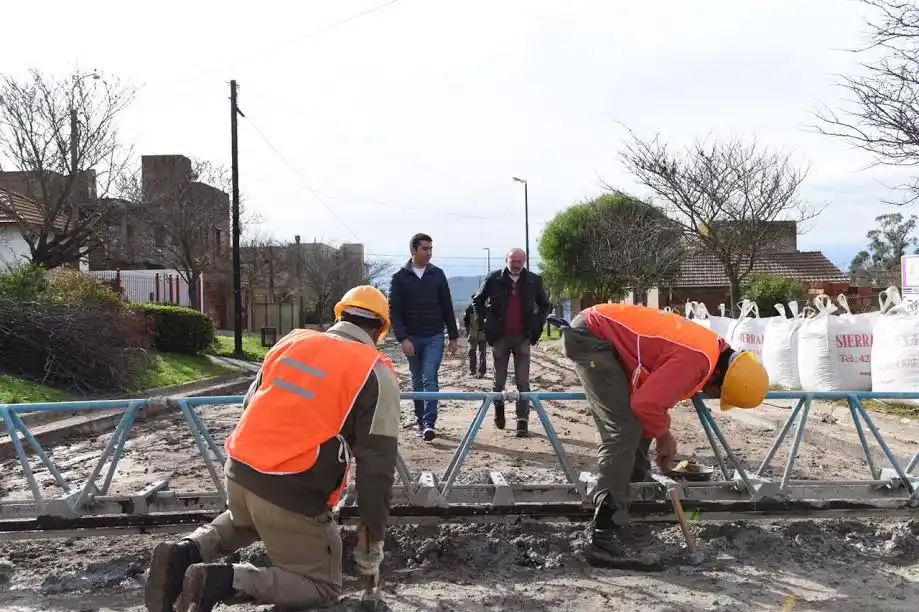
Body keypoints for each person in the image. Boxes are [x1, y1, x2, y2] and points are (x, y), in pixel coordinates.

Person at [144, 286, 401, 612]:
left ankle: (184, 552)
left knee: (249, 517)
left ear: (339, 315)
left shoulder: (292, 341)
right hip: (292, 490)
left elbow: (251, 404)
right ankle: (224, 580)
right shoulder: (374, 370)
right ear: (380, 330)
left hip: (239, 471)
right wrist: (372, 542)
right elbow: (376, 472)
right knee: (321, 587)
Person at [548, 303, 768, 569]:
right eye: (717, 393)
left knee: (636, 423)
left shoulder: (712, 346)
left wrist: (660, 429)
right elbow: (646, 405)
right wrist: (665, 436)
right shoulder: (696, 360)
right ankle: (603, 538)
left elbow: (648, 398)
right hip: (593, 337)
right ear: (720, 377)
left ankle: (624, 510)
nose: (710, 396)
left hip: (602, 332)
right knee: (622, 431)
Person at [473, 248, 550, 437]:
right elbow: (478, 300)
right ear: (506, 260)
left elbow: (545, 305)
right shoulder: (494, 279)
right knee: (498, 381)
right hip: (500, 337)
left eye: (519, 261)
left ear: (525, 261)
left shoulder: (533, 280)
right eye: (512, 261)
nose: (515, 265)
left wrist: (538, 323)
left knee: (523, 382)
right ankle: (499, 410)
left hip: (523, 337)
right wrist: (483, 322)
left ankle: (522, 420)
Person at [388, 233, 459, 441]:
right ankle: (420, 421)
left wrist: (453, 337)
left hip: (434, 336)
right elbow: (394, 311)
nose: (429, 252)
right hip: (411, 338)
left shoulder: (437, 275)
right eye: (425, 249)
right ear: (413, 250)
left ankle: (429, 423)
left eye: (430, 249)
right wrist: (403, 339)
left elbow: (447, 305)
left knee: (430, 376)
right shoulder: (399, 277)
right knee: (416, 379)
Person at [463, 294, 487, 378]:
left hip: (483, 335)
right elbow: (466, 321)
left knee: (482, 353)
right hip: (473, 334)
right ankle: (472, 370)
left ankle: (482, 371)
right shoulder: (469, 309)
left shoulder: (484, 309)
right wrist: (468, 331)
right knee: (471, 352)